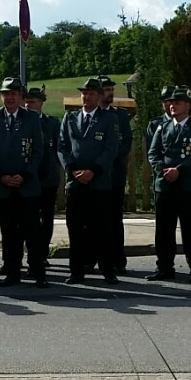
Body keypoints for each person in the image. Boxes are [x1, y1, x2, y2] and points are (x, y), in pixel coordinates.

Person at [0, 77, 47, 287]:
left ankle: (37, 271)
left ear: (20, 96)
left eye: (14, 94)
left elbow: (38, 150)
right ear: (1, 96)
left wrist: (25, 175)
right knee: (9, 233)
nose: (10, 97)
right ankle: (12, 272)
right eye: (6, 94)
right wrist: (0, 175)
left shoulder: (32, 118)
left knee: (32, 231)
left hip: (27, 185)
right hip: (3, 185)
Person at [58, 77, 121, 284]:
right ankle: (76, 271)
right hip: (75, 182)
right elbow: (62, 147)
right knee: (75, 229)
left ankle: (107, 270)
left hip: (99, 182)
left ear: (99, 96)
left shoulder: (108, 119)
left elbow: (111, 148)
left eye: (92, 93)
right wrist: (73, 169)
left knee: (102, 229)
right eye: (84, 93)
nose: (87, 97)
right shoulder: (70, 118)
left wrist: (93, 170)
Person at [146, 85, 191, 282]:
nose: (172, 106)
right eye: (171, 103)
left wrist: (179, 170)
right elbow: (153, 153)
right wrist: (162, 170)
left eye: (178, 102)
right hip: (165, 185)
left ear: (187, 105)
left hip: (188, 186)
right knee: (164, 229)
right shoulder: (162, 127)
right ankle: (164, 267)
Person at [22, 83, 61, 274]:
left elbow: (58, 149)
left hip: (47, 178)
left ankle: (42, 254)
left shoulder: (52, 123)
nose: (29, 105)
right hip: (28, 178)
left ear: (41, 103)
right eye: (27, 102)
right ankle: (27, 253)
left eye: (33, 102)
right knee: (27, 219)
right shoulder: (22, 122)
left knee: (46, 218)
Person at [100, 74, 132, 272]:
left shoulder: (120, 115)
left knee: (114, 219)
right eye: (106, 89)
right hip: (94, 177)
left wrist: (111, 159)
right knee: (93, 220)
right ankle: (92, 258)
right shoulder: (87, 115)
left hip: (115, 175)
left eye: (111, 89)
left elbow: (126, 141)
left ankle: (117, 259)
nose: (110, 93)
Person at [145, 87, 176, 151]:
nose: (167, 104)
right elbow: (151, 152)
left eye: (170, 100)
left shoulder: (186, 122)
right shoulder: (154, 125)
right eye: (164, 101)